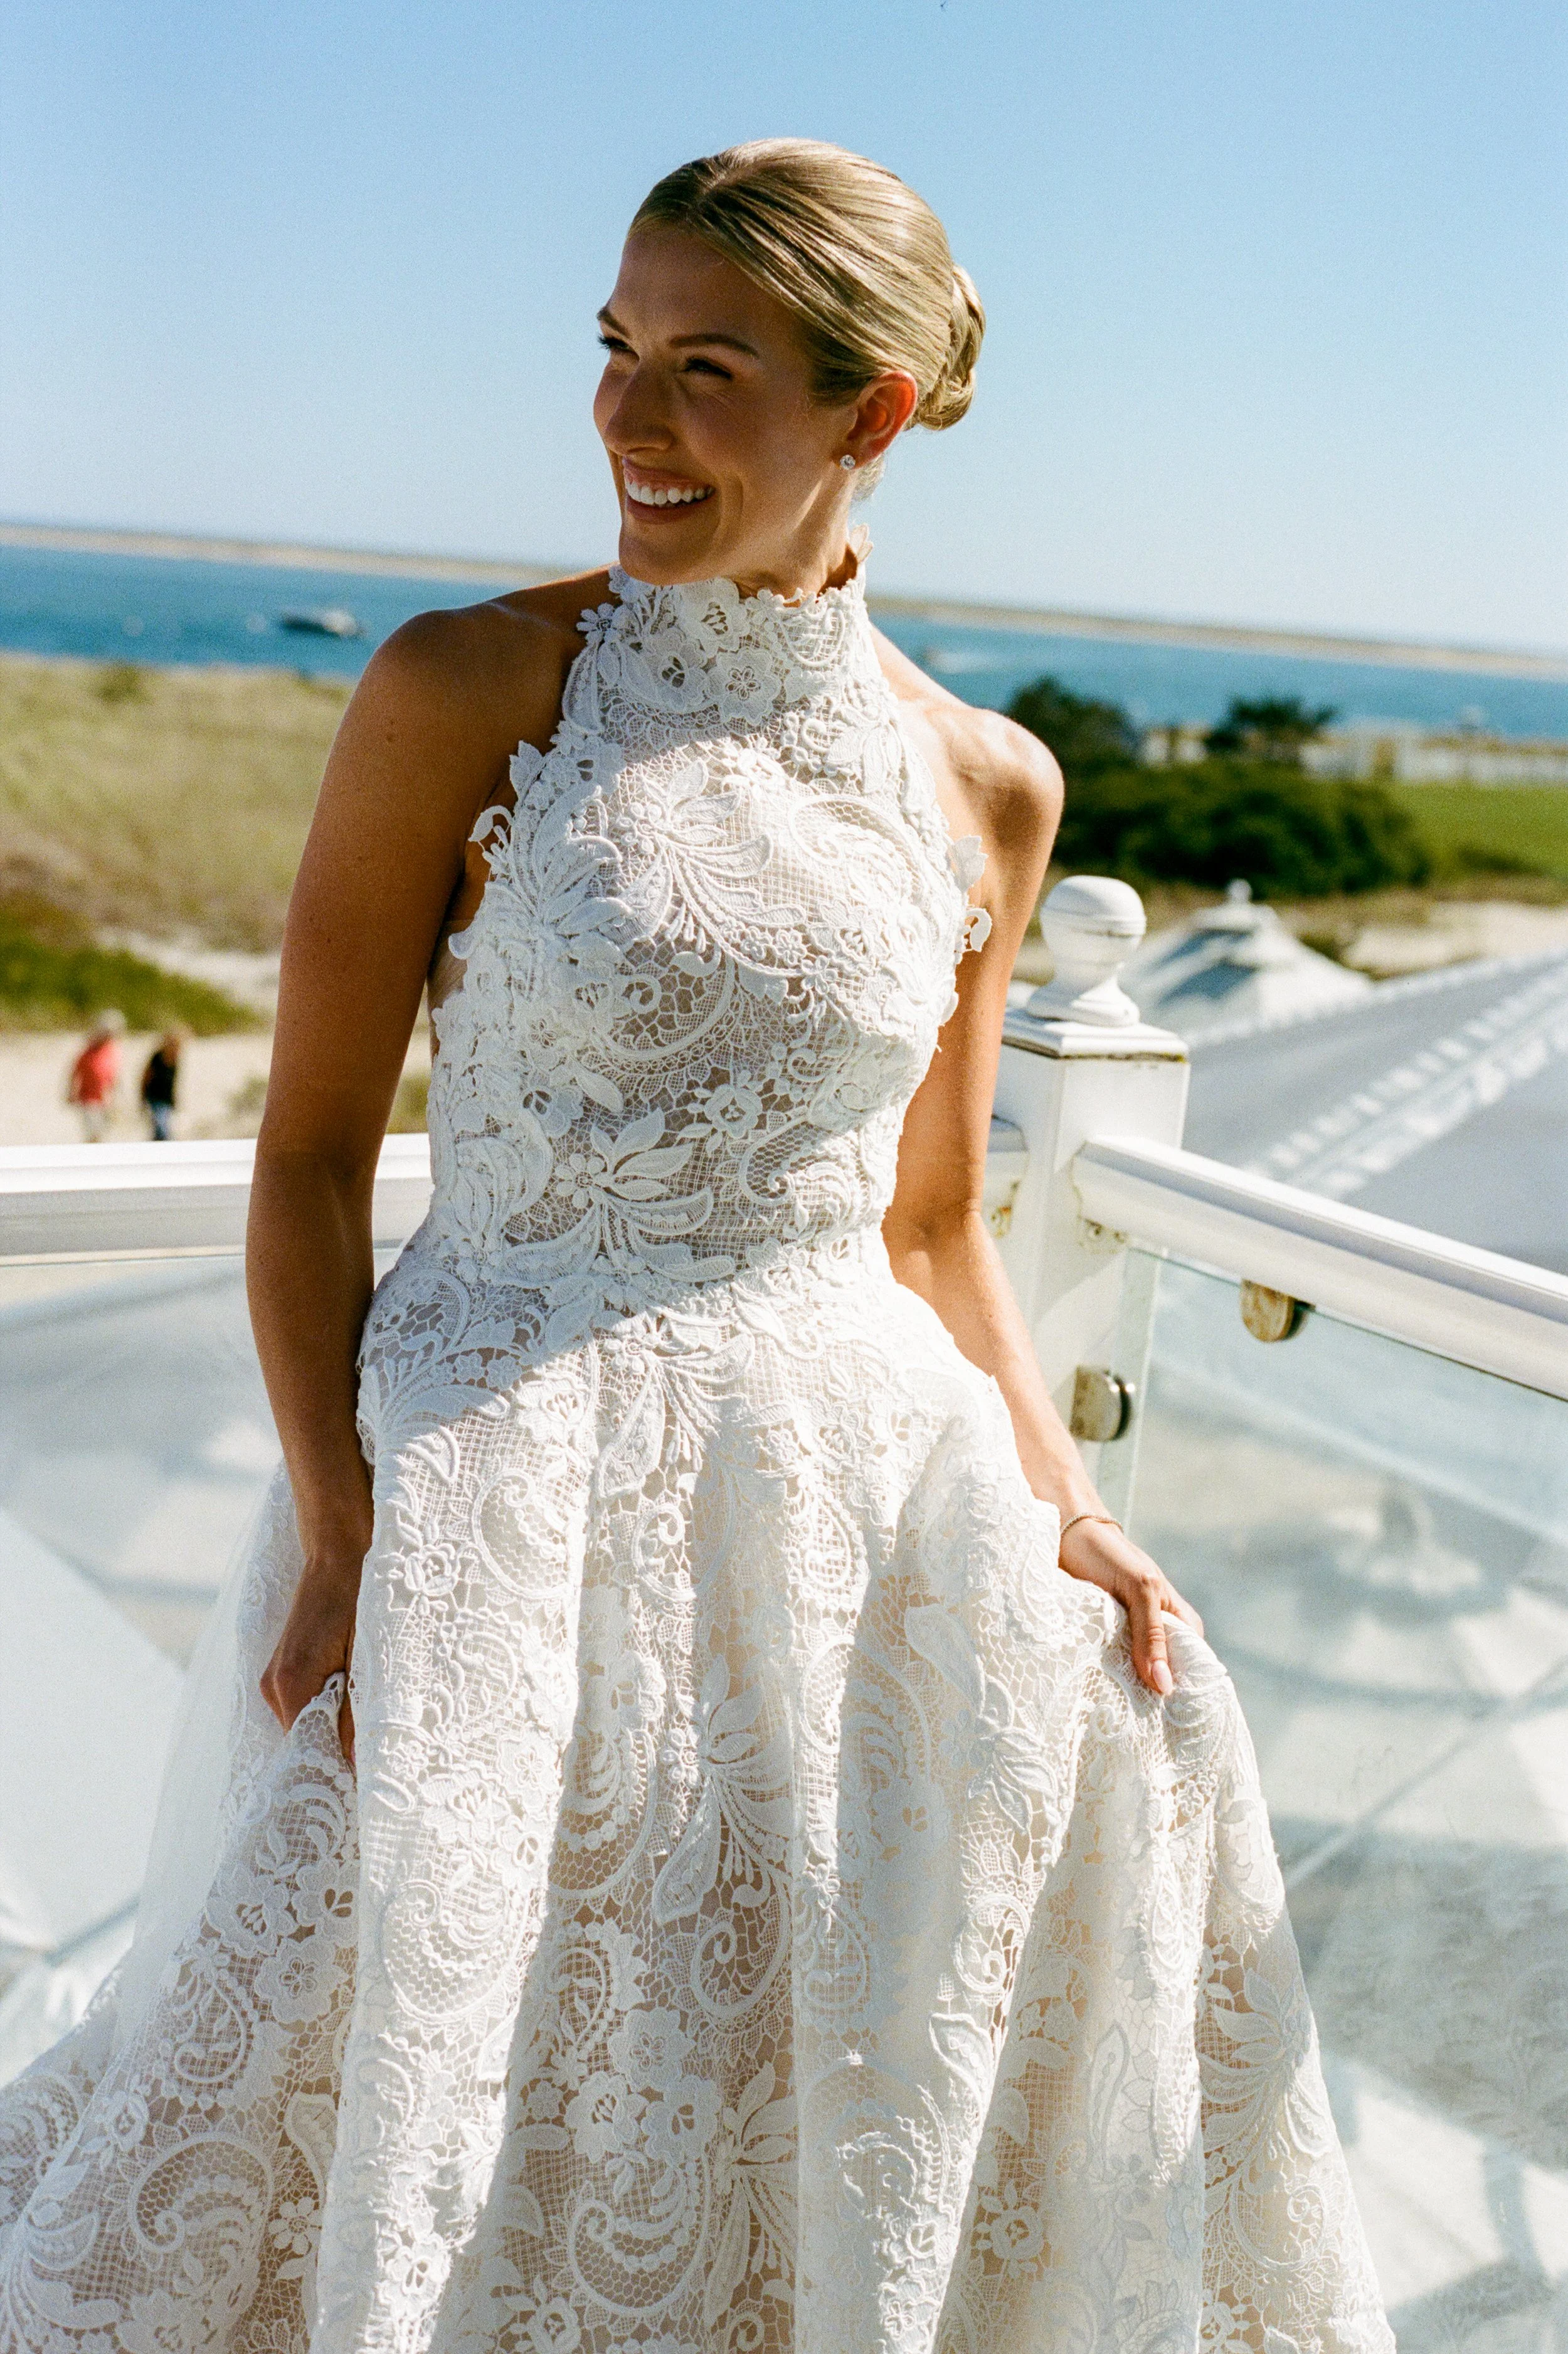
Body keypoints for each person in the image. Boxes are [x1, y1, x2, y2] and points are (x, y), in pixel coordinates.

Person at [0, 142, 1391, 2354]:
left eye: (707, 371)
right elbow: (308, 1157)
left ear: (878, 414)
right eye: (617, 355)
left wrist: (1076, 1511)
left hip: (855, 1524)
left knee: (823, 2049)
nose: (631, 425)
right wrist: (349, 1528)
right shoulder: (470, 686)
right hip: (488, 1481)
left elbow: (932, 1219)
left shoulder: (990, 783)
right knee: (408, 2075)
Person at [64, 1008, 125, 1142]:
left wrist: (117, 1097)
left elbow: (114, 1076)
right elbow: (75, 1072)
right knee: (94, 1133)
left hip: (106, 1099)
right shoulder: (88, 1051)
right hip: (89, 1099)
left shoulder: (113, 1049)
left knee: (103, 1132)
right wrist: (71, 1092)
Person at [139, 1026, 186, 1140]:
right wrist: (142, 1097)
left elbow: (173, 1082)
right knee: (162, 1127)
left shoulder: (175, 1060)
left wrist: (174, 1099)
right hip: (155, 1098)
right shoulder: (157, 1058)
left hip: (166, 1100)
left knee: (161, 1129)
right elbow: (146, 1077)